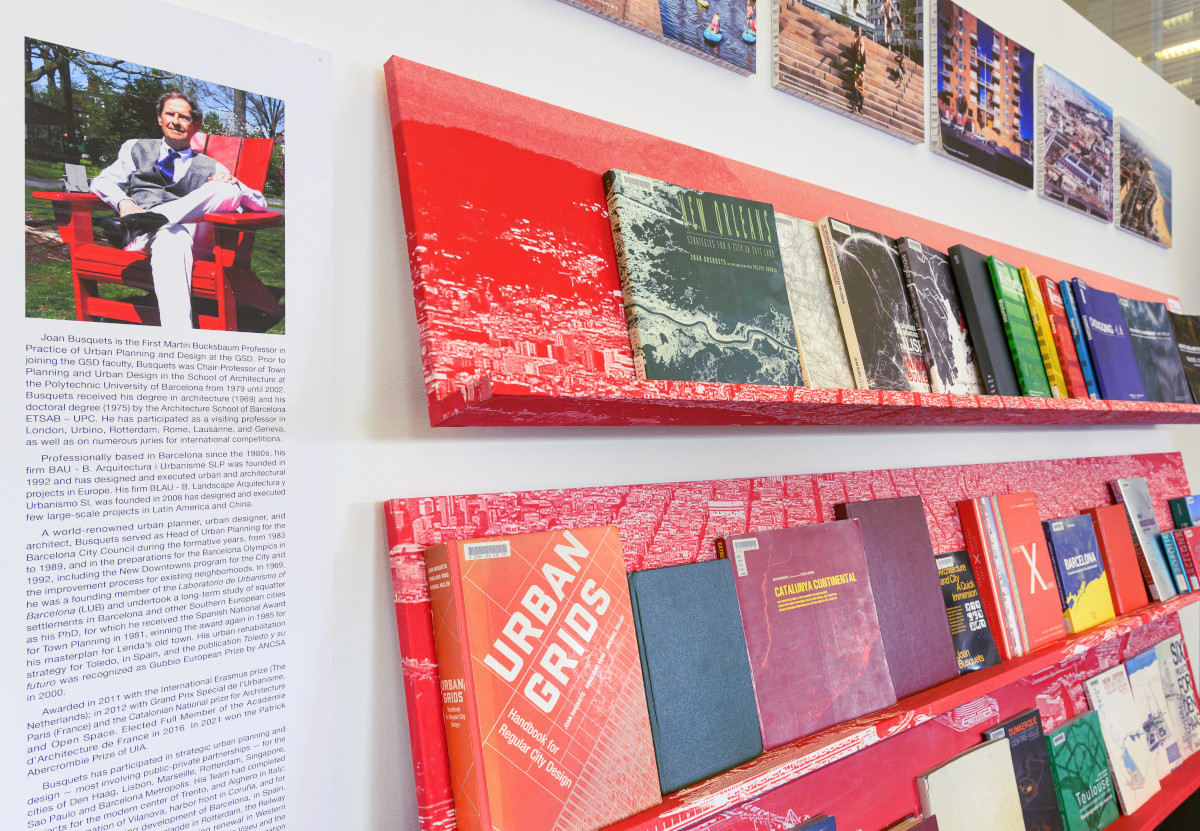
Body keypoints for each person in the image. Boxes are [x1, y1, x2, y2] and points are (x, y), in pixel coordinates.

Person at [90, 91, 268, 330]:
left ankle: (147, 220)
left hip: (183, 238)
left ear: (195, 125)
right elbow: (101, 182)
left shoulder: (210, 165)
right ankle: (181, 341)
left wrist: (235, 185)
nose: (175, 121)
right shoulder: (135, 149)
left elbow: (260, 203)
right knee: (174, 236)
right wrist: (123, 202)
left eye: (184, 117)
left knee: (228, 191)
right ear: (159, 119)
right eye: (169, 114)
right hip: (142, 239)